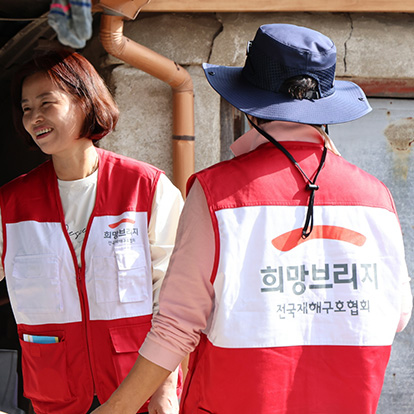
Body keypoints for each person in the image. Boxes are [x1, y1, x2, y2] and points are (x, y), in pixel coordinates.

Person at [92, 24, 413, 414]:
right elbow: (398, 315)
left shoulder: (215, 193)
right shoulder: (377, 197)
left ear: (248, 106)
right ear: (324, 109)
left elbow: (176, 326)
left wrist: (116, 408)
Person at [0, 50, 184, 414]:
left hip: (138, 394)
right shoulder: (10, 204)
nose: (34, 117)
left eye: (46, 103)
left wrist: (164, 388)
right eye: (26, 108)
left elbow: (176, 299)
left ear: (84, 102)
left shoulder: (146, 188)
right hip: (55, 395)